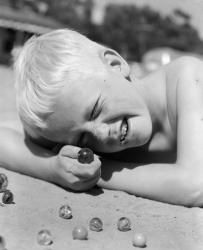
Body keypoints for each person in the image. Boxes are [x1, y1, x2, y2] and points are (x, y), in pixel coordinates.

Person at [0, 28, 203, 207]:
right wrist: (52, 168)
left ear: (115, 64)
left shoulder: (189, 78)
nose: (101, 132)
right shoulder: (80, 128)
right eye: (82, 139)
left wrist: (100, 173)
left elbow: (195, 186)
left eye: (95, 110)